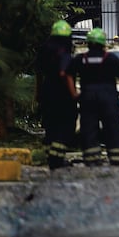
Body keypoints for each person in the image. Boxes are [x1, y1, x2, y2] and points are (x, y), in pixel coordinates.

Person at [65, 28, 119, 166]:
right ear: (103, 43)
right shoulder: (111, 58)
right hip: (108, 96)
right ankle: (116, 157)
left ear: (88, 43)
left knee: (89, 127)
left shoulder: (80, 59)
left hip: (88, 96)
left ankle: (91, 158)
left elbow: (68, 74)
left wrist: (74, 93)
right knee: (112, 126)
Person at [35, 20, 77, 170]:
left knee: (51, 125)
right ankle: (57, 158)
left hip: (47, 90)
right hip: (62, 92)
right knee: (66, 125)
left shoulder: (44, 50)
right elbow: (64, 73)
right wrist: (74, 94)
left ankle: (50, 156)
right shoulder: (64, 52)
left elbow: (38, 73)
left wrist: (38, 93)